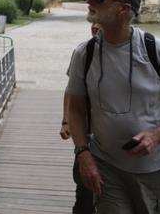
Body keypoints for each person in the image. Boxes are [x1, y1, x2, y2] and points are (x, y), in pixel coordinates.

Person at [65, 0, 160, 213]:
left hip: (155, 170)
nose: (89, 1)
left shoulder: (157, 50)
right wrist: (83, 154)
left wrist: (156, 136)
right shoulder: (83, 54)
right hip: (106, 165)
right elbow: (75, 108)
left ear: (123, 9)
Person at [61, 23, 98, 214]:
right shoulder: (83, 52)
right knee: (84, 191)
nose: (95, 25)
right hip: (87, 134)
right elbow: (71, 91)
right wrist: (66, 120)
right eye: (93, 22)